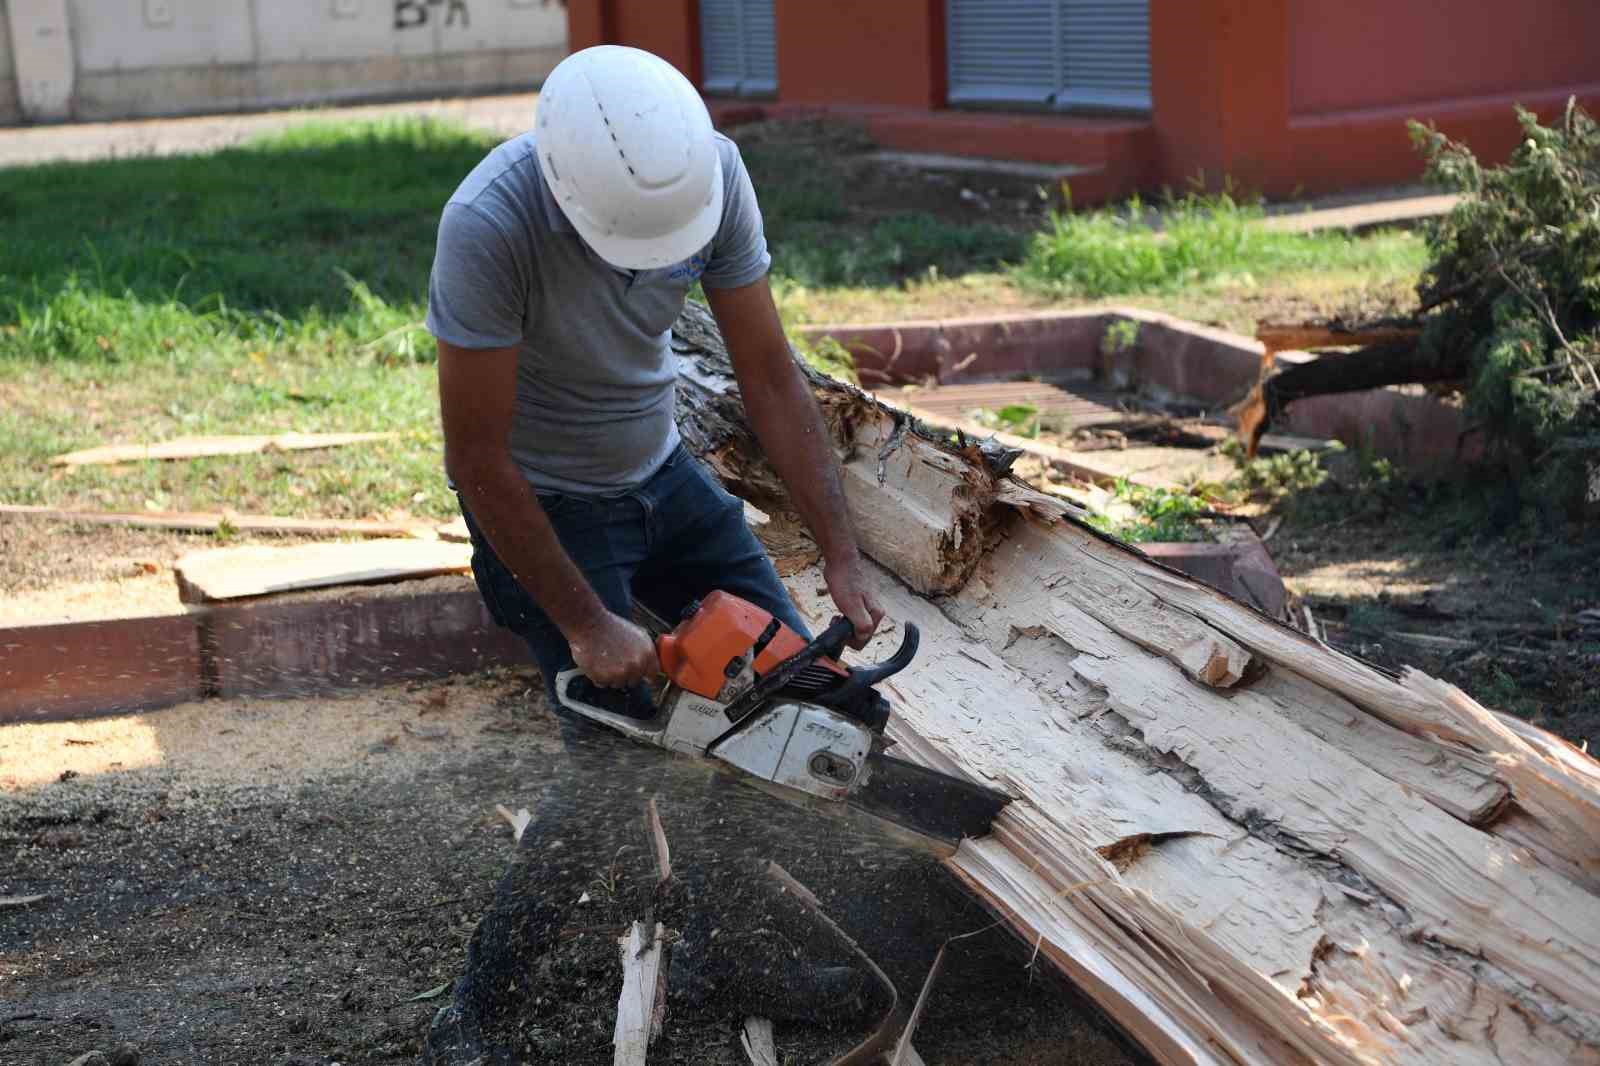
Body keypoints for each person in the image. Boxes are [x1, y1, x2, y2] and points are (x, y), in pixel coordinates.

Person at [426, 45, 883, 720]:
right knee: (622, 759)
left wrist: (840, 555)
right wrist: (586, 623)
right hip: (545, 503)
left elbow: (768, 375)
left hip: (665, 475)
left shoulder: (714, 174)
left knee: (809, 700)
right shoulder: (489, 225)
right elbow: (476, 456)